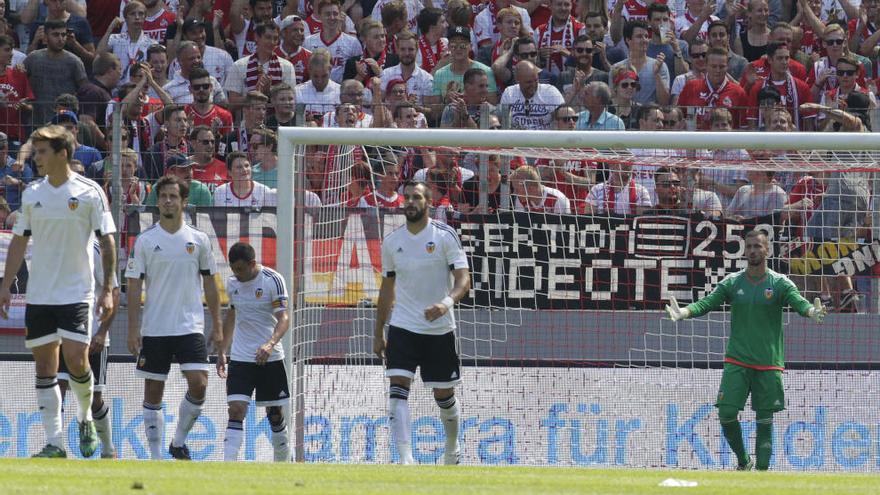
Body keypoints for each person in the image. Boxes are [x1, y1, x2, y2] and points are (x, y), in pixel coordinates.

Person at [665, 230, 828, 471]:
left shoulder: (780, 283)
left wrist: (811, 312)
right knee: (727, 413)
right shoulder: (733, 282)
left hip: (769, 363)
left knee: (765, 422)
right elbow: (708, 303)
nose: (752, 250)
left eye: (757, 246)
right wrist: (685, 312)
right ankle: (743, 461)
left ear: (767, 250)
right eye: (749, 246)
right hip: (737, 361)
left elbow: (798, 301)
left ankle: (761, 476)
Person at [0, 125, 117, 458]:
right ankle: (54, 442)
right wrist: (6, 285)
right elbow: (20, 239)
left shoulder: (90, 191)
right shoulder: (32, 193)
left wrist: (107, 288)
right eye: (35, 152)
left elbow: (107, 240)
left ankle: (84, 420)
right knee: (45, 369)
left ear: (62, 153)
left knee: (78, 362)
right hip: (40, 294)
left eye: (42, 152)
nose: (36, 158)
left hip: (77, 292)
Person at [125, 174, 222, 460]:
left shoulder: (199, 239)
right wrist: (132, 329)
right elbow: (133, 285)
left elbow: (210, 284)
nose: (167, 201)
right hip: (155, 328)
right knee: (153, 390)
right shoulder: (145, 240)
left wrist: (217, 326)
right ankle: (156, 457)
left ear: (184, 201)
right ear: (158, 201)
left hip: (190, 326)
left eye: (173, 196)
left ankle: (178, 442)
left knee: (200, 383)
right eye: (163, 196)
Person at [374, 181, 470, 465]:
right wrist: (378, 331)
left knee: (444, 394)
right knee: (398, 387)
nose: (410, 202)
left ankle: (452, 448)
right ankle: (405, 459)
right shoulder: (392, 242)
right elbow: (386, 288)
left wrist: (446, 303)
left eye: (416, 197)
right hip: (403, 326)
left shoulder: (444, 236)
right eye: (407, 197)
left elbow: (464, 280)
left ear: (429, 202)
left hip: (439, 330)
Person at [216, 242, 291, 462]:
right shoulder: (232, 284)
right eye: (233, 269)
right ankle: (228, 468)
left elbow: (284, 318)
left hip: (270, 358)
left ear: (252, 263)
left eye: (240, 269)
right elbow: (232, 314)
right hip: (241, 358)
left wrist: (269, 344)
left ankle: (282, 464)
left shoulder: (273, 280)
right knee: (236, 410)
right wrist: (222, 350)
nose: (236, 274)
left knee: (275, 415)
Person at [57, 239, 121, 459]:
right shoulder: (54, 244)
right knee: (58, 391)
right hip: (61, 334)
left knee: (95, 399)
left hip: (91, 336)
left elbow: (114, 293)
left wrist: (102, 332)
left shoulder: (95, 248)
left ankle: (108, 449)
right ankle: (56, 445)